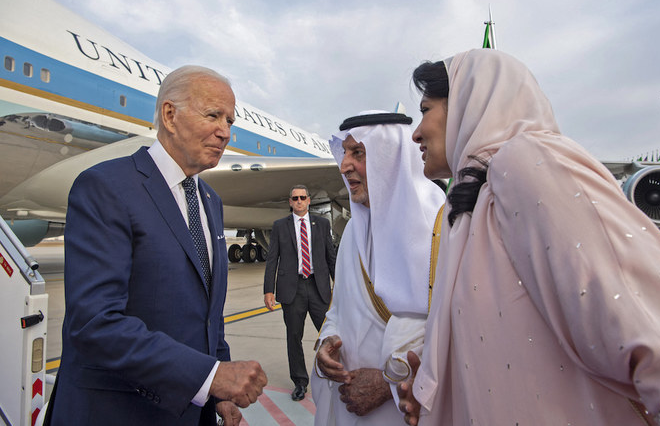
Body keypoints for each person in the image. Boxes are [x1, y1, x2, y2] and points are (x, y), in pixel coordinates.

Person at [398, 48, 660, 426]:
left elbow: (639, 319)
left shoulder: (526, 160)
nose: (415, 132)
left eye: (426, 110)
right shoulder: (470, 206)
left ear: (466, 103)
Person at [49, 66, 267, 426]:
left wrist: (218, 393)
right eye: (213, 115)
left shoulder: (209, 200)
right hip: (119, 413)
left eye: (230, 120)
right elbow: (94, 323)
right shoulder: (107, 187)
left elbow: (208, 316)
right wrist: (210, 377)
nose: (225, 131)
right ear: (170, 115)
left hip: (190, 410)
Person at [311, 111, 445, 425]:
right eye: (344, 153)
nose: (344, 165)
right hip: (349, 404)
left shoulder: (439, 224)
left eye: (358, 153)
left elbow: (454, 326)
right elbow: (338, 310)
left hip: (406, 407)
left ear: (389, 159)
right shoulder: (351, 233)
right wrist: (327, 344)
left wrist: (386, 383)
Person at [263, 185, 337, 401]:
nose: (299, 201)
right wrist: (269, 290)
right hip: (291, 289)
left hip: (318, 287)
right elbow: (272, 260)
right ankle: (300, 382)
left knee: (329, 334)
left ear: (309, 200)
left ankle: (335, 375)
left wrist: (340, 285)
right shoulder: (279, 226)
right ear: (290, 201)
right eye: (295, 198)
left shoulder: (322, 224)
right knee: (294, 337)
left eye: (302, 197)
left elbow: (331, 258)